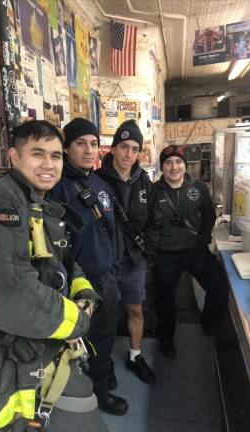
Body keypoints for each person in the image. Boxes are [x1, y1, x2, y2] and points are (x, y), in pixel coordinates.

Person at [0, 120, 109, 432]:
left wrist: (85, 294)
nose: (49, 164)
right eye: (38, 154)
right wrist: (78, 321)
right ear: (14, 157)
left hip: (30, 361)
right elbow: (10, 294)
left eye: (56, 156)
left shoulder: (36, 203)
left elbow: (64, 263)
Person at [50, 118, 128, 416]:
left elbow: (114, 230)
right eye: (80, 143)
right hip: (76, 285)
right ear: (67, 147)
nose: (87, 150)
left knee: (105, 336)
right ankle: (89, 392)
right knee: (78, 341)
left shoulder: (102, 185)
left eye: (93, 144)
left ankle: (101, 382)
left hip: (106, 280)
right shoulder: (57, 188)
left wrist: (115, 268)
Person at [152, 144, 229, 359]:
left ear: (185, 165)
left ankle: (210, 326)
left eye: (178, 162)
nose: (173, 167)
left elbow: (209, 215)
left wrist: (203, 238)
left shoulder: (198, 188)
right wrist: (154, 249)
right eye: (168, 162)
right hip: (166, 254)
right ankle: (166, 340)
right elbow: (147, 223)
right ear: (162, 167)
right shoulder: (152, 191)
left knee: (219, 287)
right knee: (165, 301)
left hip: (195, 250)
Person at [96, 120, 156, 384]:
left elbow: (154, 221)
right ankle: (101, 364)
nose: (129, 154)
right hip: (104, 264)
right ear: (113, 148)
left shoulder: (145, 184)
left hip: (133, 262)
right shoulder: (95, 181)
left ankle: (135, 356)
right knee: (102, 318)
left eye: (134, 148)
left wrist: (145, 250)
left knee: (135, 310)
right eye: (124, 147)